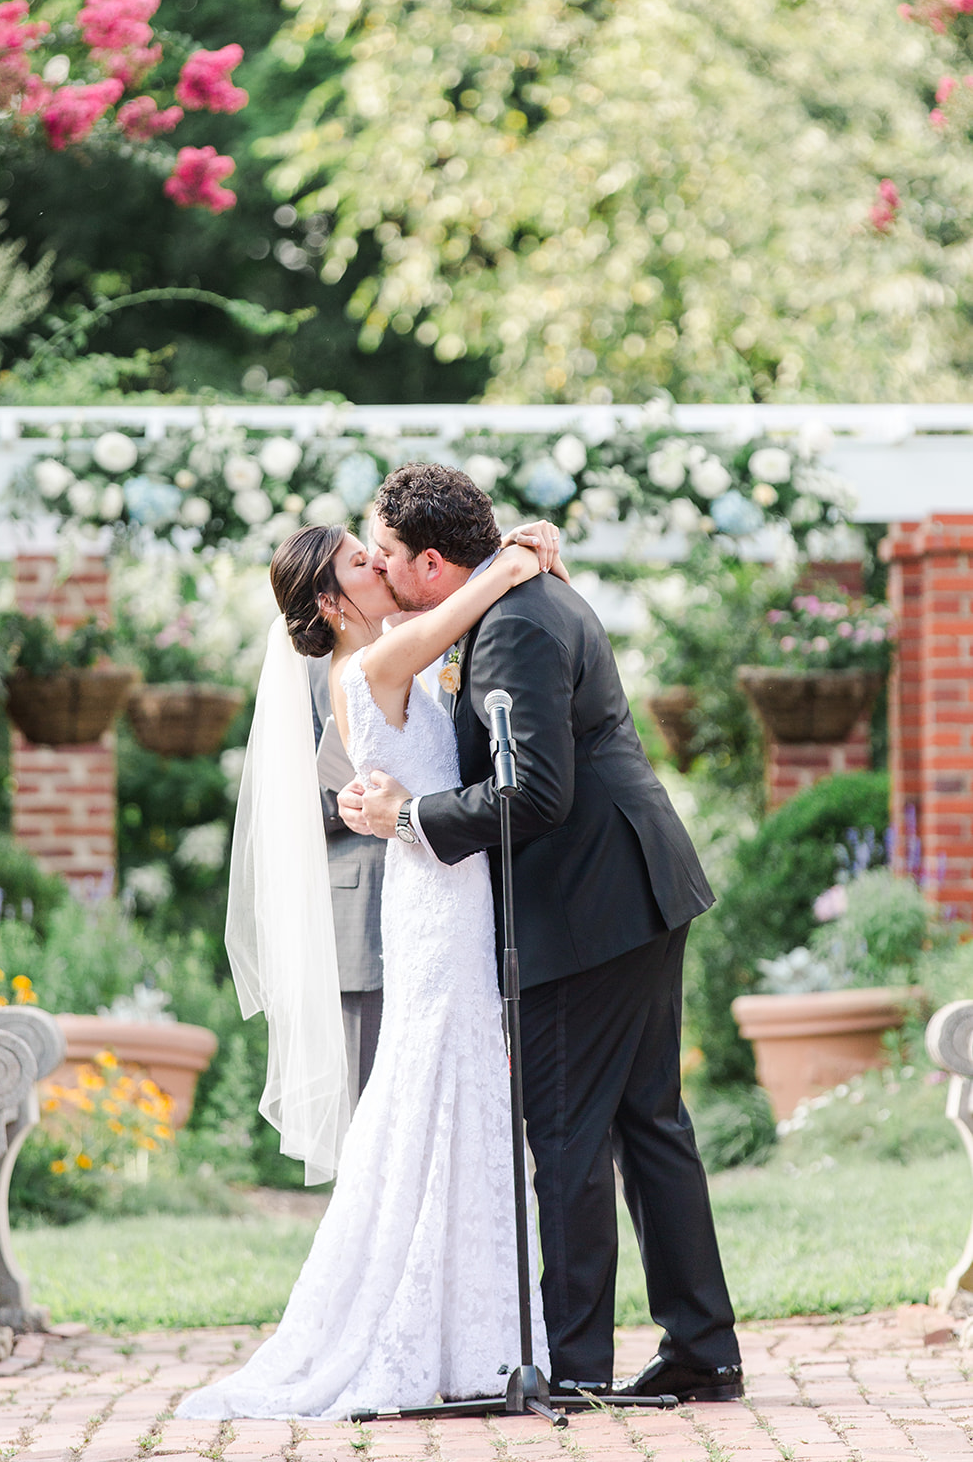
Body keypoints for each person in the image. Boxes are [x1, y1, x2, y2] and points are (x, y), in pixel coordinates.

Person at [339, 462, 743, 1405]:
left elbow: (534, 794)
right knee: (649, 1124)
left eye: (389, 556)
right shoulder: (521, 596)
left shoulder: (513, 624)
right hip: (636, 886)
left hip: (589, 905)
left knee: (566, 1132)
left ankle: (574, 1366)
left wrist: (411, 815)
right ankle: (703, 1349)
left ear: (432, 564)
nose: (383, 571)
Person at [177, 517, 563, 1422]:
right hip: (432, 907)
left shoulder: (390, 656)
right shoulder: (366, 669)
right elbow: (468, 600)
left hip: (446, 894)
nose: (381, 564)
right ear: (330, 601)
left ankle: (473, 1335)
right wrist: (510, 554)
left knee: (462, 1095)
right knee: (430, 1094)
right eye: (362, 560)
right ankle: (410, 1323)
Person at [306, 655, 384, 1107]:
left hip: (452, 897)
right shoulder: (313, 665)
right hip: (363, 908)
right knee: (366, 1103)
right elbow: (285, 792)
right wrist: (351, 798)